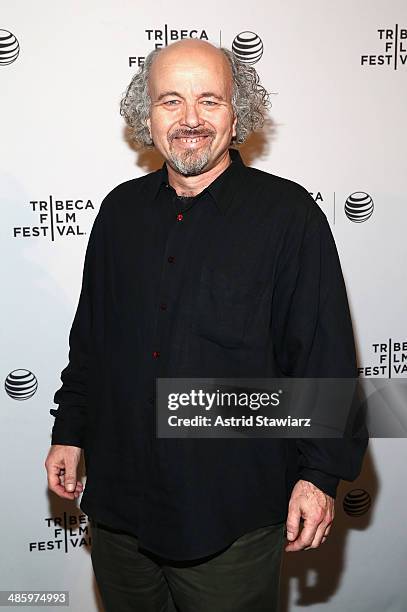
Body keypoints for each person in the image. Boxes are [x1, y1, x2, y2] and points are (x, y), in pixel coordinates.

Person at [45, 39, 368, 612]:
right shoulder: (119, 213)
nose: (190, 119)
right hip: (119, 511)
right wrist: (69, 428)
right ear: (146, 116)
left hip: (229, 521)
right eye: (170, 101)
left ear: (237, 111)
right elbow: (91, 339)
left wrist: (319, 475)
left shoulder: (290, 218)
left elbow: (323, 359)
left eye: (209, 101)